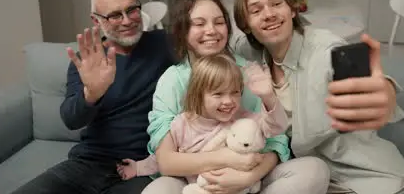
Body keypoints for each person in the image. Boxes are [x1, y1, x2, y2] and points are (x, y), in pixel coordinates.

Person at [230, 0, 404, 194]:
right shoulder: (249, 53)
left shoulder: (324, 49)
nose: (269, 14)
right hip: (312, 181)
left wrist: (383, 93)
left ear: (292, 10)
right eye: (256, 10)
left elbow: (363, 83)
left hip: (368, 179)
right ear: (246, 25)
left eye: (277, 3)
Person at [141, 0, 329, 194]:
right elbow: (167, 162)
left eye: (219, 22)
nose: (211, 30)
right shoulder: (172, 80)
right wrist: (226, 159)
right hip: (196, 183)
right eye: (199, 23)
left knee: (315, 170)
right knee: (157, 190)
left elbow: (277, 141)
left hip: (250, 179)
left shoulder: (248, 71)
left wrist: (247, 177)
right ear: (182, 31)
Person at [11, 0, 176, 194]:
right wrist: (91, 94)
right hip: (88, 163)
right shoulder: (87, 61)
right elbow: (71, 119)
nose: (127, 21)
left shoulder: (166, 44)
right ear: (96, 21)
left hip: (142, 167)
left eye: (132, 10)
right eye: (115, 15)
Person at [116, 54, 289, 189]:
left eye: (235, 92)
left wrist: (268, 97)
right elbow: (160, 159)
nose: (229, 101)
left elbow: (276, 127)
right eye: (218, 94)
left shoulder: (245, 119)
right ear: (198, 96)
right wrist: (138, 168)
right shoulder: (182, 124)